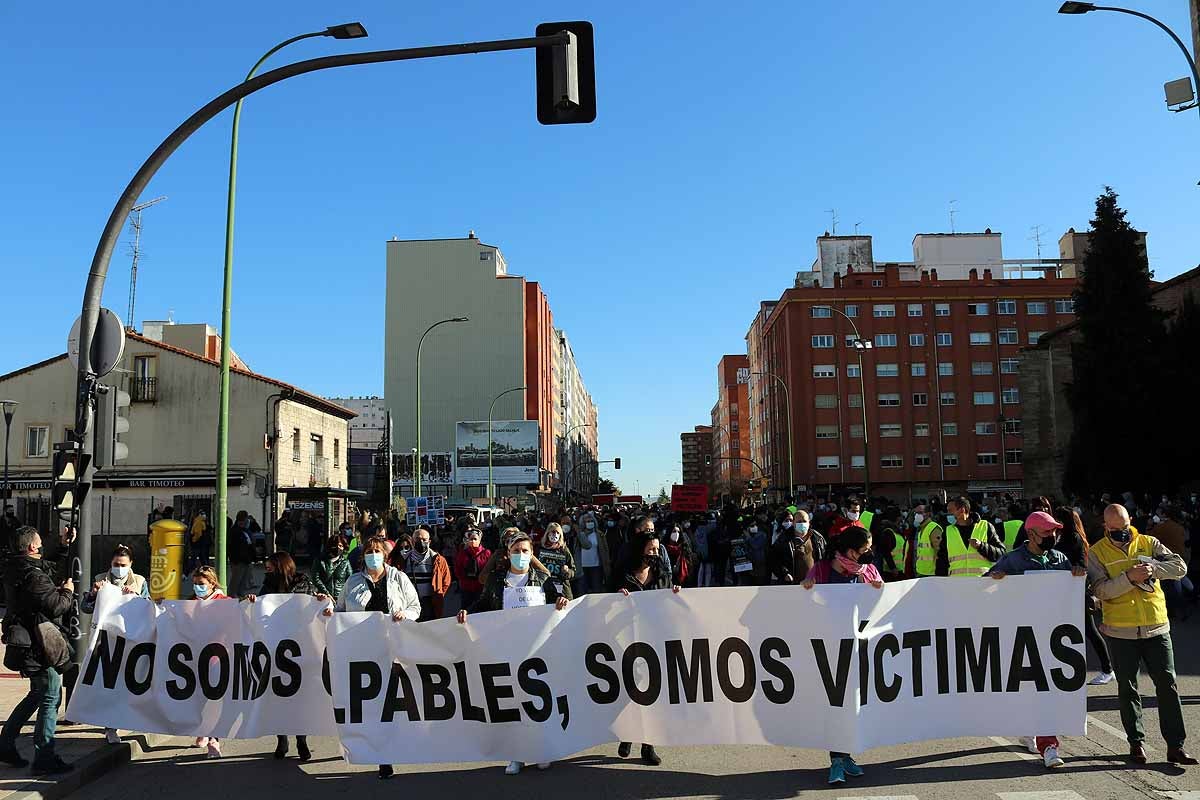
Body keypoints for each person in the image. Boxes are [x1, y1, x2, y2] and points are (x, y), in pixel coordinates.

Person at [1087, 503, 1196, 766]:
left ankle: (1176, 746)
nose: (1120, 533)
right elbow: (1101, 590)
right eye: (1113, 530)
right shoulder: (1096, 552)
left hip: (1157, 627)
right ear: (1105, 527)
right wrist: (1130, 577)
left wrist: (1153, 569)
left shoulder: (1149, 542)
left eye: (1123, 528)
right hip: (1120, 632)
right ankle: (1136, 745)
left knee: (1168, 687)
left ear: (1130, 522)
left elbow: (1179, 566)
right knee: (1128, 689)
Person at [457, 529, 569, 775]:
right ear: (507, 554)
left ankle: (542, 750)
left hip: (537, 652)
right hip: (507, 650)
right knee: (512, 704)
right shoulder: (498, 580)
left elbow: (560, 602)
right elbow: (484, 604)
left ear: (532, 554)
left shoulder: (543, 580)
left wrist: (561, 602)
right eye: (516, 551)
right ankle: (516, 755)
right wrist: (468, 613)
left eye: (525, 551)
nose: (521, 555)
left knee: (539, 702)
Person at [986, 512, 1088, 768]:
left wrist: (1076, 576)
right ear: (1030, 534)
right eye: (1046, 533)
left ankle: (1048, 745)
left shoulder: (1060, 558)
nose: (1052, 537)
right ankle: (1031, 729)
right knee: (1030, 688)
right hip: (1022, 636)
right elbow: (982, 590)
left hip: (1053, 637)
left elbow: (1071, 591)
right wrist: (993, 579)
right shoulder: (1013, 560)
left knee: (1047, 690)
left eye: (1054, 532)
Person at [328, 536, 421, 779]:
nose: (373, 555)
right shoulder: (353, 581)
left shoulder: (398, 578)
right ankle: (373, 750)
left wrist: (404, 614)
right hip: (362, 649)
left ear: (385, 555)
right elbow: (340, 612)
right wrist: (327, 610)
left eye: (377, 551)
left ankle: (387, 754)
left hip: (392, 647)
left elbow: (415, 607)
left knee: (390, 702)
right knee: (368, 702)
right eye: (369, 551)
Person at [802, 525, 882, 784]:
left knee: (853, 706)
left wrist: (880, 590)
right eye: (865, 550)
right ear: (850, 551)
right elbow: (804, 603)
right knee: (835, 705)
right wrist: (806, 587)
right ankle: (836, 759)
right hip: (829, 650)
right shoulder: (823, 571)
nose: (870, 554)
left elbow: (882, 606)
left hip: (859, 649)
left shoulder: (867, 571)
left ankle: (846, 755)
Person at [0, 526, 76, 774]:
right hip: (37, 645)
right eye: (41, 543)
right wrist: (68, 591)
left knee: (37, 694)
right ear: (32, 547)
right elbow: (55, 606)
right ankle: (44, 757)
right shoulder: (33, 575)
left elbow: (45, 567)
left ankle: (5, 744)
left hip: (25, 642)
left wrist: (63, 545)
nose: (43, 546)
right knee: (50, 694)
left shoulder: (17, 566)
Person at [244, 552, 328, 762]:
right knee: (277, 696)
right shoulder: (268, 584)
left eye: (270, 567)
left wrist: (319, 600)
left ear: (280, 567)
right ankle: (282, 740)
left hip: (301, 648)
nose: (266, 571)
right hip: (276, 648)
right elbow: (261, 605)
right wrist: (253, 601)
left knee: (300, 698)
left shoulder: (303, 582)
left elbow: (317, 604)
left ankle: (302, 740)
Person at [611, 526, 682, 767]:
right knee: (630, 691)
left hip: (654, 638)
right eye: (650, 549)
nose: (655, 553)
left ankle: (647, 745)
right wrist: (616, 596)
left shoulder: (661, 573)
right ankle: (628, 734)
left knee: (652, 693)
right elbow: (604, 602)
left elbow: (667, 601)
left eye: (656, 549)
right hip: (627, 639)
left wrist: (674, 593)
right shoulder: (622, 574)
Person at [79, 543, 150, 745]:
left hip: (130, 639)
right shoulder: (100, 580)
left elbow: (148, 606)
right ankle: (110, 726)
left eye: (123, 564)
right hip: (106, 640)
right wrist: (93, 593)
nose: (119, 568)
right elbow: (86, 607)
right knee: (107, 682)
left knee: (128, 681)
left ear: (131, 564)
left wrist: (135, 596)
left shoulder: (139, 581)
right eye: (116, 564)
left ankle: (125, 717)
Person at [1050, 506, 1115, 686]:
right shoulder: (1070, 536)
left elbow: (1078, 562)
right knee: (1087, 631)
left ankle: (1107, 669)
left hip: (1075, 591)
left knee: (1090, 631)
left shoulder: (1073, 538)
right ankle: (1107, 668)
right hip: (1070, 591)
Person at [188, 565, 230, 758]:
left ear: (212, 583)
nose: (197, 587)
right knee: (199, 698)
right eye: (195, 583)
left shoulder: (225, 602)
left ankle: (215, 739)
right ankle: (203, 730)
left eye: (201, 584)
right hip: (195, 657)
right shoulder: (189, 603)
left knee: (215, 700)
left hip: (218, 658)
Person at [937, 496, 1004, 578]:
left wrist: (981, 546)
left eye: (950, 511)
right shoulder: (947, 531)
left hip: (982, 583)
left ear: (962, 510)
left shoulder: (985, 526)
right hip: (956, 584)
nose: (947, 514)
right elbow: (941, 561)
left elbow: (1001, 554)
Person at [402, 526, 451, 621]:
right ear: (412, 541)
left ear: (429, 542)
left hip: (430, 604)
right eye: (417, 539)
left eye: (424, 539)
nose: (421, 542)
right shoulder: (403, 559)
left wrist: (437, 596)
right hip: (409, 604)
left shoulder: (438, 560)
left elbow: (446, 581)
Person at [769, 508, 824, 584]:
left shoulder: (818, 538)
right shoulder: (783, 540)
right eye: (799, 522)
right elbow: (774, 560)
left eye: (804, 521)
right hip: (793, 586)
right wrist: (784, 573)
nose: (802, 524)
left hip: (814, 584)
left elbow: (824, 558)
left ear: (809, 522)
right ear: (794, 523)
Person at [536, 522, 576, 600]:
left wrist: (567, 571)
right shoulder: (540, 549)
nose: (555, 534)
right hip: (544, 589)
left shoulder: (564, 549)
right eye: (553, 532)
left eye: (558, 532)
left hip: (562, 591)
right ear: (548, 533)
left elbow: (573, 571)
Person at [572, 512, 610, 595]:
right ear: (583, 523)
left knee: (597, 590)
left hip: (596, 566)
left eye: (591, 521)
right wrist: (580, 533)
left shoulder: (599, 534)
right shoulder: (580, 535)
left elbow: (605, 550)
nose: (590, 523)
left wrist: (606, 563)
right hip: (582, 567)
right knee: (582, 591)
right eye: (587, 521)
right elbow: (586, 545)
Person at [454, 527, 491, 611]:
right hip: (466, 588)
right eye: (471, 539)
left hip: (481, 588)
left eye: (475, 539)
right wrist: (464, 578)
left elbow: (489, 569)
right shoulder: (462, 553)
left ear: (479, 540)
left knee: (481, 610)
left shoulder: (486, 553)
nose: (473, 541)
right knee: (466, 610)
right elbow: (457, 568)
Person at [312, 534, 351, 601]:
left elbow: (349, 579)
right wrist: (326, 593)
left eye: (341, 546)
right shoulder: (320, 561)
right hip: (323, 597)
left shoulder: (346, 562)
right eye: (335, 545)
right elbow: (316, 578)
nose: (338, 548)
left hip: (340, 598)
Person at [227, 511, 255, 598]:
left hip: (246, 558)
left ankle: (240, 593)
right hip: (238, 559)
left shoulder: (245, 530)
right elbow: (232, 546)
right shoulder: (235, 531)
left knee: (244, 578)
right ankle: (233, 594)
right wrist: (234, 559)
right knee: (236, 578)